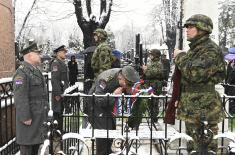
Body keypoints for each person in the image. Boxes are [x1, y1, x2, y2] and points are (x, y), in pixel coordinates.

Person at [173, 14, 226, 153]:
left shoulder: (210, 49)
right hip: (192, 107)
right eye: (187, 27)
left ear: (202, 29)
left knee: (205, 149)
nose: (187, 30)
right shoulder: (196, 49)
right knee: (193, 148)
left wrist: (179, 56)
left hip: (204, 109)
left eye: (191, 27)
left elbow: (194, 74)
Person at [87, 66, 147, 155]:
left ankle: (108, 152)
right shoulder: (105, 79)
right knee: (103, 134)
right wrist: (113, 95)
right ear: (121, 78)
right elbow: (99, 101)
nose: (127, 86)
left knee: (110, 128)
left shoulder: (122, 76)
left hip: (108, 106)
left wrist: (128, 91)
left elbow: (125, 90)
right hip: (96, 107)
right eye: (127, 84)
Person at [13, 42, 49, 155]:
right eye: (37, 53)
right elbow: (20, 97)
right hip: (29, 120)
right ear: (29, 55)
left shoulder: (35, 70)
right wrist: (25, 118)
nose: (40, 56)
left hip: (37, 118)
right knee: (27, 150)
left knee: (35, 149)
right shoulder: (22, 73)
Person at [50, 45, 69, 132]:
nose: (65, 53)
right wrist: (58, 94)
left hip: (62, 92)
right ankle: (57, 132)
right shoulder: (56, 63)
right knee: (57, 113)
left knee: (61, 112)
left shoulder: (61, 63)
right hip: (58, 93)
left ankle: (59, 130)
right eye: (64, 52)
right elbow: (55, 80)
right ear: (58, 53)